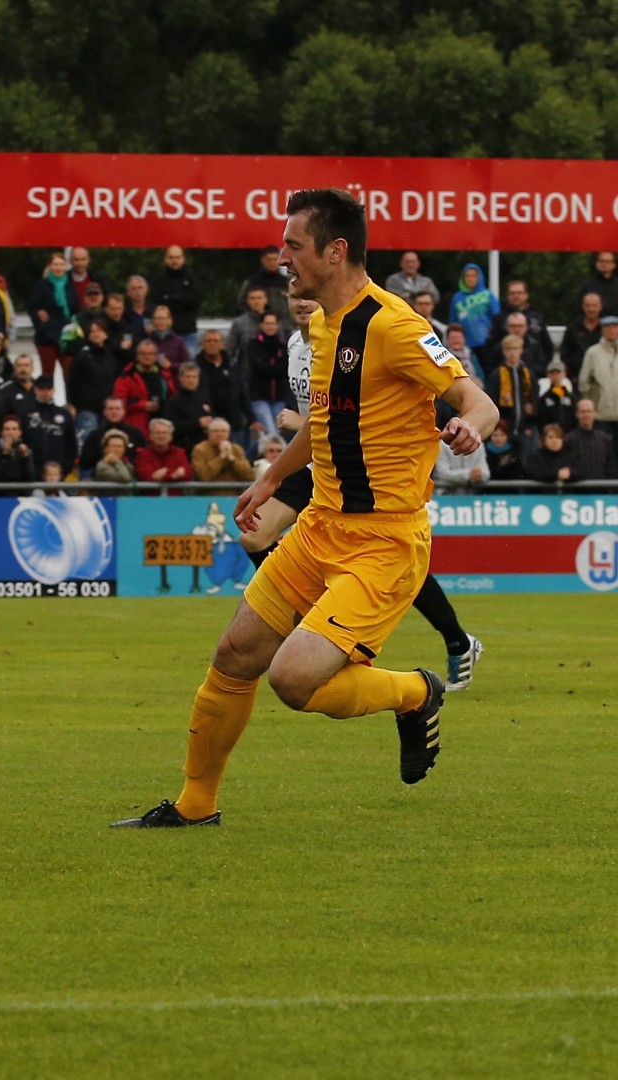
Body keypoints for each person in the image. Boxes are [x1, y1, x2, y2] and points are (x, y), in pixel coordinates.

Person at [113, 187, 498, 830]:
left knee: (292, 681)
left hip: (382, 541)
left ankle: (416, 692)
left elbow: (474, 396)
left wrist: (473, 427)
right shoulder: (321, 322)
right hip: (320, 524)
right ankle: (194, 806)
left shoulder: (395, 324)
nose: (283, 256)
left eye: (293, 245)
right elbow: (322, 422)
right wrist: (269, 481)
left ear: (335, 250)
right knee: (235, 654)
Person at [242, 294, 488, 696]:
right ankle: (305, 615)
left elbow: (345, 413)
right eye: (293, 293)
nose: (303, 302)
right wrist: (273, 473)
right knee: (254, 535)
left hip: (361, 472)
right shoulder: (296, 344)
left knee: (394, 568)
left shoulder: (370, 332)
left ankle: (456, 639)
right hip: (315, 465)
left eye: (309, 296)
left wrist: (301, 422)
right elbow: (325, 416)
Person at [580, 316, 618, 438]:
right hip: (601, 414)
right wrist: (592, 404)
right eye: (608, 327)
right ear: (602, 330)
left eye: (614, 327)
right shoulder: (593, 352)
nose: (611, 330)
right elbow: (584, 382)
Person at [449, 262, 498, 353]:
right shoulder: (457, 297)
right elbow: (453, 321)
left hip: (487, 342)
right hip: (464, 344)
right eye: (467, 276)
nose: (470, 279)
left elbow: (497, 316)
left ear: (479, 277)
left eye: (473, 276)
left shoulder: (487, 295)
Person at [565, 398, 618, 480]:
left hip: (602, 490)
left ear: (595, 413)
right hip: (577, 490)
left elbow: (612, 470)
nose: (586, 415)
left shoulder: (606, 440)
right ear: (577, 414)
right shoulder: (568, 440)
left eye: (589, 411)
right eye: (583, 412)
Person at [191, 418, 255, 484]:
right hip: (210, 493)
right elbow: (204, 477)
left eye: (223, 431)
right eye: (215, 431)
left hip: (235, 492)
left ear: (229, 433)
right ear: (208, 433)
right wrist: (221, 458)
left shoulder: (236, 449)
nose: (219, 434)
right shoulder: (200, 449)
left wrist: (232, 460)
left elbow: (249, 476)